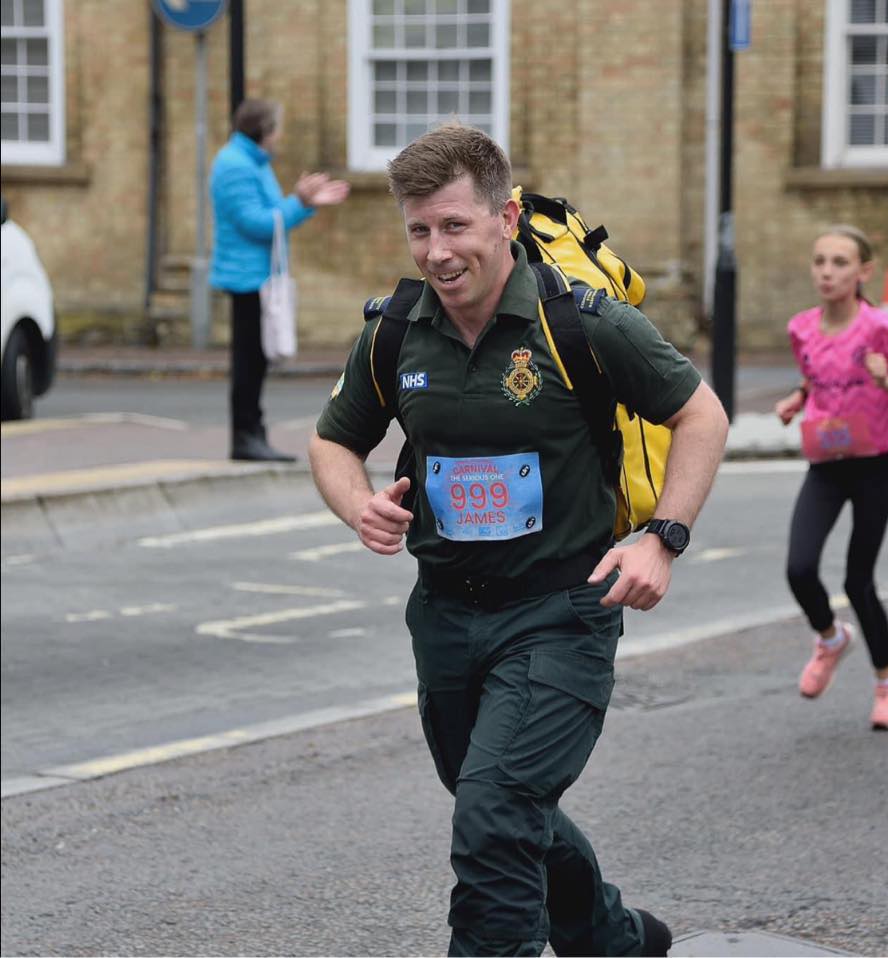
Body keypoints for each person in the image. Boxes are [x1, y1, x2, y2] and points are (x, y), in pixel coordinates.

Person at [309, 123, 728, 957]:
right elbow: (333, 440)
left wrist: (662, 538)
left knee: (493, 818)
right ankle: (609, 940)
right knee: (493, 800)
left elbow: (699, 413)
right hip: (446, 616)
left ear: (505, 217)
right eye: (420, 230)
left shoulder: (580, 324)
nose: (437, 251)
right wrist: (356, 503)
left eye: (455, 226)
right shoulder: (395, 332)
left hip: (562, 613)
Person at [775, 225, 888, 731]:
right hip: (827, 460)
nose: (827, 271)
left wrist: (885, 379)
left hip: (874, 465)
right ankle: (829, 638)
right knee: (799, 568)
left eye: (840, 263)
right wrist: (798, 398)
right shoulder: (801, 327)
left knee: (857, 579)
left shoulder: (881, 330)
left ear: (863, 271)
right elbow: (814, 373)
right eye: (820, 261)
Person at [210, 98, 350, 461]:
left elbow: (275, 217)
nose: (280, 136)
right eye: (277, 128)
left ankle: (252, 433)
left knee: (256, 359)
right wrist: (299, 201)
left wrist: (305, 204)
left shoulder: (253, 164)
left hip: (260, 276)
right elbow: (257, 223)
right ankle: (245, 437)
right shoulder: (234, 166)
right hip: (247, 278)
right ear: (264, 131)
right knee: (248, 360)